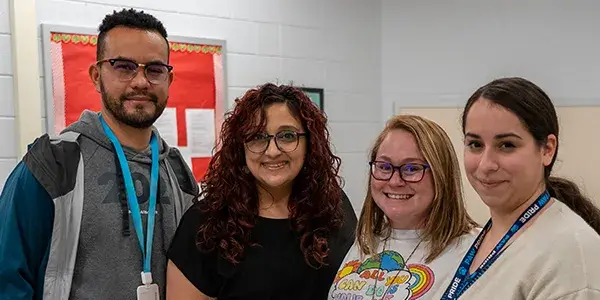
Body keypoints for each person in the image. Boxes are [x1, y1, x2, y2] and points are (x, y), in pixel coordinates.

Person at [0, 8, 197, 300]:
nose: (141, 81)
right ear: (96, 75)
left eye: (154, 69)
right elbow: (7, 278)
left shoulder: (178, 172)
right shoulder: (53, 163)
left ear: (169, 79)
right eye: (124, 66)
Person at [166, 83, 358, 299]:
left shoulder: (334, 208)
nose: (273, 151)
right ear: (241, 147)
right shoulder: (205, 224)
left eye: (287, 136)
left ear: (309, 143)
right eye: (257, 137)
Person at [435, 77, 600, 300]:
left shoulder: (571, 256)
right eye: (475, 144)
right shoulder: (484, 238)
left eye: (507, 145)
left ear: (547, 150)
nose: (486, 165)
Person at [328, 114, 480, 300]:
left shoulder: (474, 250)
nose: (395, 181)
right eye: (384, 166)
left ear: (441, 175)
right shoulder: (365, 242)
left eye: (412, 169)